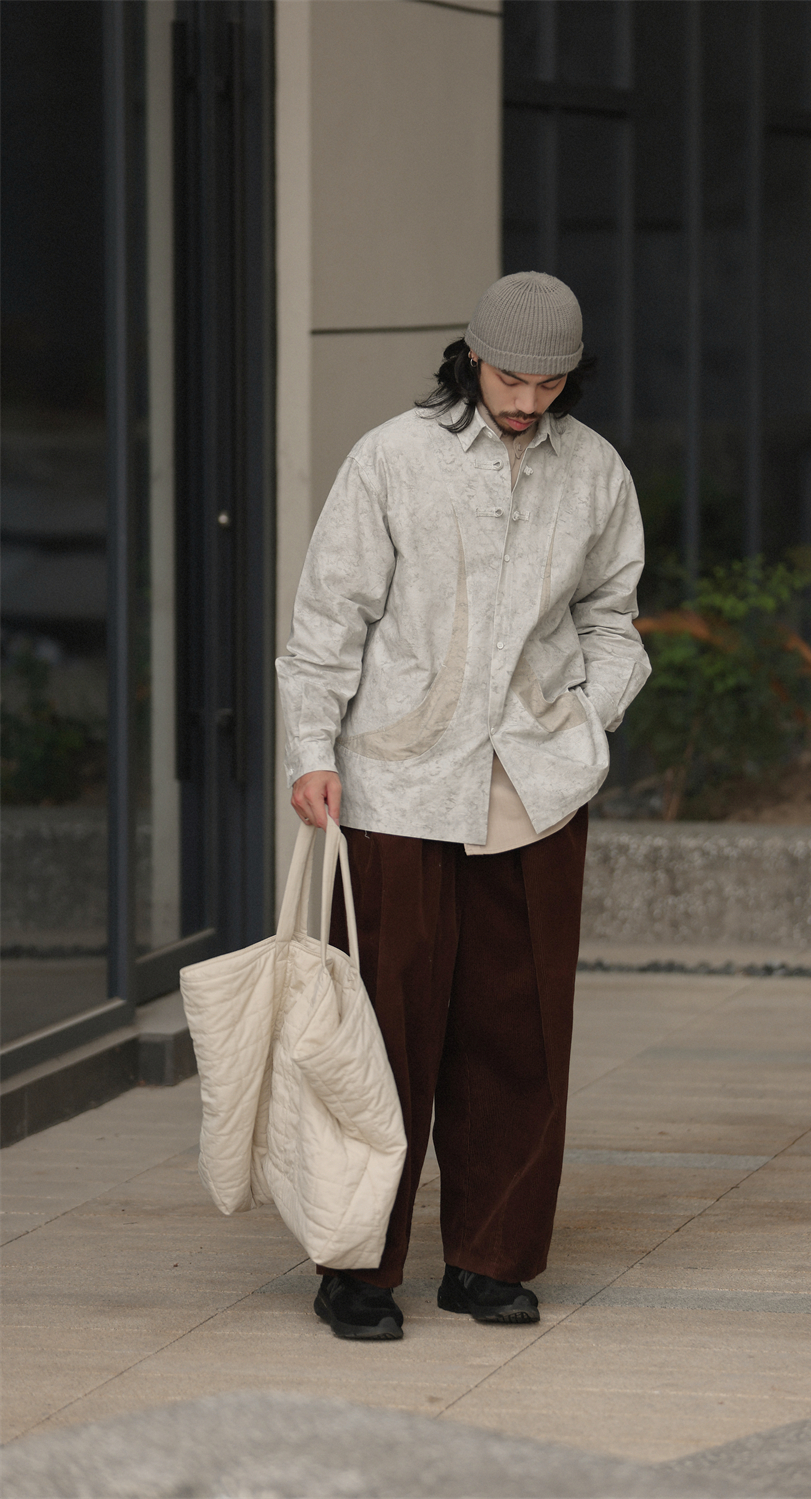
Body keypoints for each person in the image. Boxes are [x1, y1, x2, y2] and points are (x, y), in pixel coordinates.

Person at [277, 271, 649, 1341]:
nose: (527, 401)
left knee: (517, 1037)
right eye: (510, 377)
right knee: (381, 1034)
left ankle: (489, 1260)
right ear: (471, 357)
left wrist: (586, 722)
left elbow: (613, 616)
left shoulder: (596, 472)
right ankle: (356, 1265)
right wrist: (312, 749)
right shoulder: (392, 458)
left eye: (549, 383)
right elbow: (329, 617)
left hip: (534, 789)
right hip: (397, 783)